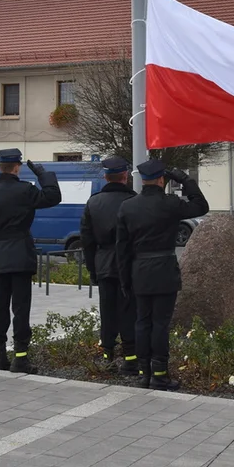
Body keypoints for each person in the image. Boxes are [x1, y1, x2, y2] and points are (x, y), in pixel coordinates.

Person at [116, 159, 209, 391]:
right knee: (160, 324)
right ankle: (159, 375)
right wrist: (185, 180)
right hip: (164, 270)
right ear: (161, 179)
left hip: (139, 271)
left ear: (142, 179)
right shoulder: (170, 204)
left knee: (141, 322)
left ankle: (143, 373)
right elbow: (201, 206)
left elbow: (122, 249)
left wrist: (125, 279)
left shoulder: (128, 207)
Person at [0, 149, 61, 373]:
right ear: (17, 167)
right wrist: (44, 175)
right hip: (20, 254)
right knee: (21, 308)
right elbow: (53, 197)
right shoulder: (25, 190)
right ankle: (20, 358)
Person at [81, 156, 138, 374]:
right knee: (129, 310)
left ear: (105, 177)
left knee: (107, 310)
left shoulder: (93, 202)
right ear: (125, 176)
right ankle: (131, 357)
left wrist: (92, 268)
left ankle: (108, 354)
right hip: (129, 263)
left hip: (104, 261)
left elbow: (87, 240)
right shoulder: (134, 200)